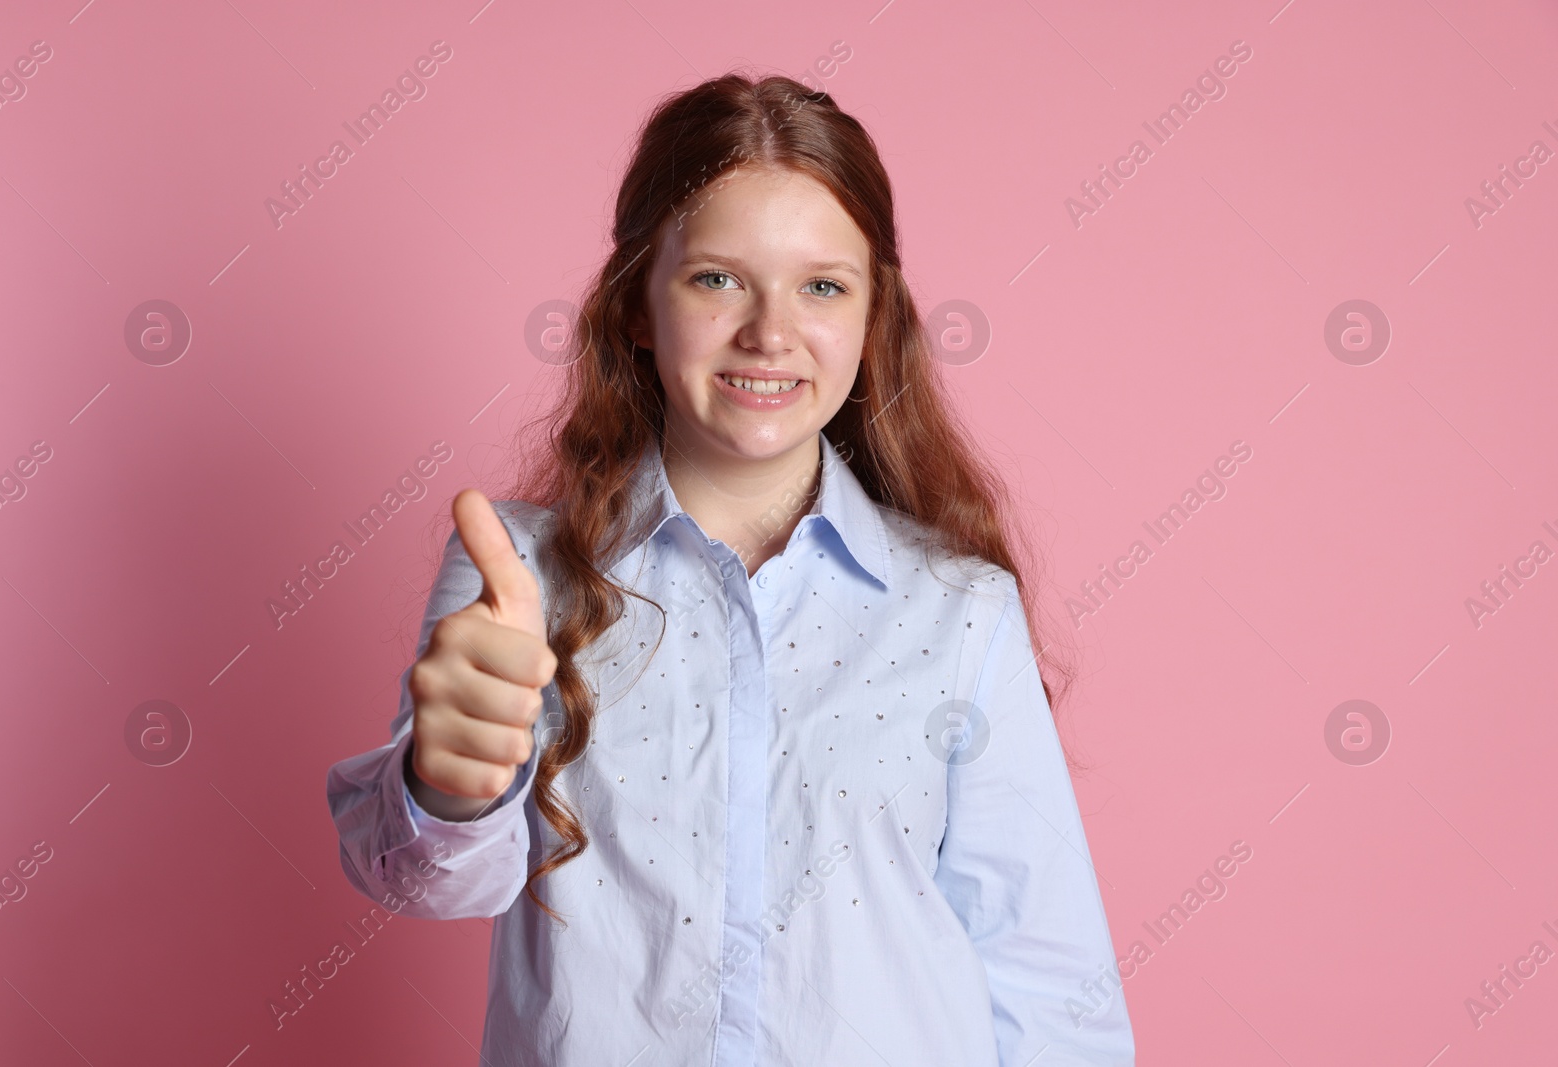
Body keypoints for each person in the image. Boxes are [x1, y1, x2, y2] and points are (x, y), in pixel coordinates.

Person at [326, 71, 1135, 1066]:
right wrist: (445, 783)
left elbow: (1050, 977)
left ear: (873, 318)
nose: (769, 332)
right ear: (635, 307)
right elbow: (423, 879)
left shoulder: (960, 608)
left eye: (822, 286)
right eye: (716, 278)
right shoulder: (517, 576)